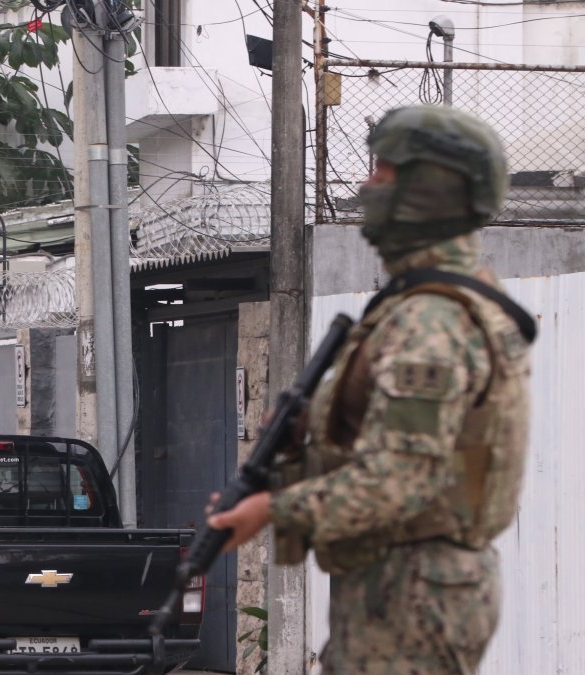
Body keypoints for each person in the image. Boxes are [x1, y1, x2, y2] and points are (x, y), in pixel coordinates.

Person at [208, 105, 533, 674]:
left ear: (429, 189)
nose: (366, 186)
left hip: (413, 598)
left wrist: (272, 510)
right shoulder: (427, 301)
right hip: (400, 585)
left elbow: (399, 481)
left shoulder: (429, 320)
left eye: (382, 172)